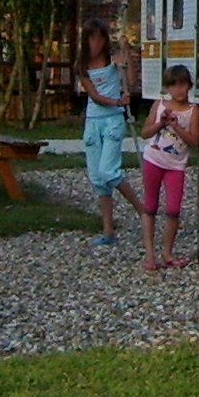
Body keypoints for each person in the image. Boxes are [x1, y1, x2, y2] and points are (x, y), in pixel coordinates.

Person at [76, 22, 144, 249]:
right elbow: (93, 96)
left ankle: (142, 210)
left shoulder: (113, 59)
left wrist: (126, 56)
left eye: (100, 38)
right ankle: (108, 230)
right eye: (92, 39)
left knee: (109, 171)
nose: (96, 43)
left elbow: (131, 82)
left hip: (113, 120)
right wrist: (116, 101)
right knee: (97, 178)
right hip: (94, 122)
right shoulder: (82, 65)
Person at [140, 64, 199, 271]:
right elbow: (145, 132)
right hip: (153, 160)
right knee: (149, 207)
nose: (179, 90)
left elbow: (194, 140)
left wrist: (176, 126)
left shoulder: (193, 111)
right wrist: (161, 123)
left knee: (173, 209)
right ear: (167, 88)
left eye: (183, 85)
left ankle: (167, 253)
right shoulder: (159, 105)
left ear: (189, 86)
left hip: (175, 166)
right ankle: (150, 255)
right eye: (174, 85)